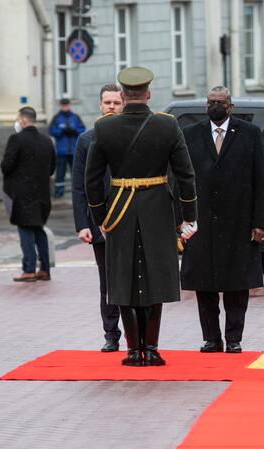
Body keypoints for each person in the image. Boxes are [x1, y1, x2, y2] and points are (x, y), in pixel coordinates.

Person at [85, 66, 198, 366]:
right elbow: (186, 175)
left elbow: (91, 179)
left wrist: (100, 218)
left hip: (119, 208)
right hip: (158, 206)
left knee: (123, 277)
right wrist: (189, 215)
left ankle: (134, 350)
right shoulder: (168, 126)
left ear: (122, 96)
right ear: (148, 94)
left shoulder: (104, 128)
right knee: (156, 276)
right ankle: (153, 348)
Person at [180, 86, 264, 354]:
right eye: (210, 102)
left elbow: (260, 180)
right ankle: (211, 338)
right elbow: (181, 180)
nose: (214, 106)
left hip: (238, 221)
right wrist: (182, 219)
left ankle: (234, 338)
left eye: (219, 102)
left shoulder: (250, 134)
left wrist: (261, 222)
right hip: (201, 222)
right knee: (203, 284)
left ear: (230, 106)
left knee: (236, 283)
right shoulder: (191, 134)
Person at [71, 84, 124, 352]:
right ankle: (111, 333)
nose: (111, 107)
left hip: (130, 221)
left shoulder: (133, 137)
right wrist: (82, 224)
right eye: (107, 103)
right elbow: (79, 186)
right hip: (100, 222)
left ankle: (137, 335)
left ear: (124, 104)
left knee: (131, 280)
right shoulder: (86, 140)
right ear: (100, 105)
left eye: (116, 102)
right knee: (108, 282)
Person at [1, 106, 57, 282]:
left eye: (18, 119)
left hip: (22, 195)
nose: (17, 122)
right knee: (38, 229)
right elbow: (52, 168)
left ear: (23, 120)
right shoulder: (47, 141)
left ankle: (29, 269)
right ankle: (45, 269)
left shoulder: (16, 139)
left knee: (25, 229)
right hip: (42, 193)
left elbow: (6, 166)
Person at [49, 98, 85, 198]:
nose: (65, 107)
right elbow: (51, 130)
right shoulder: (56, 118)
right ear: (60, 106)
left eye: (67, 105)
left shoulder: (75, 117)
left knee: (76, 173)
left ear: (69, 105)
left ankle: (78, 192)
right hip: (61, 151)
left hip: (74, 151)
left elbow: (82, 130)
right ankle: (59, 192)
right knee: (60, 173)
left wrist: (74, 131)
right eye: (63, 105)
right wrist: (61, 131)